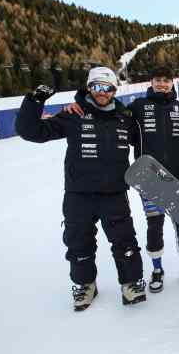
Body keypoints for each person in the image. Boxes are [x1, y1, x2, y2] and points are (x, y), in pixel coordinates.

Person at [15, 67, 146, 311]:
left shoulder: (125, 117)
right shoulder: (73, 114)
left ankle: (131, 282)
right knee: (78, 243)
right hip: (79, 195)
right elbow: (31, 132)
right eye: (97, 87)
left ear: (115, 90)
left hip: (115, 193)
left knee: (125, 241)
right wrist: (35, 100)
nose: (102, 92)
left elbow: (147, 140)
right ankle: (85, 285)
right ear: (89, 88)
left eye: (108, 88)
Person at [127, 66, 179, 292]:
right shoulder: (138, 106)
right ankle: (157, 270)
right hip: (150, 180)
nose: (162, 84)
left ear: (172, 83)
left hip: (177, 180)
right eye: (158, 80)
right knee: (154, 225)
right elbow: (113, 117)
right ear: (151, 82)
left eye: (166, 81)